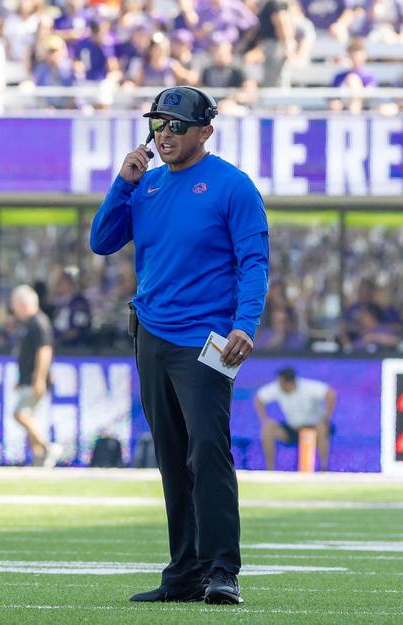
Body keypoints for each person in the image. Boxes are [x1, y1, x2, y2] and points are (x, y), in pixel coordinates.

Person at [91, 86, 269, 605]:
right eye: (157, 124)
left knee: (208, 452)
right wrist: (121, 185)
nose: (163, 134)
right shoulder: (144, 187)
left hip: (207, 342)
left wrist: (246, 323)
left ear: (205, 132)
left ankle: (221, 571)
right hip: (151, 335)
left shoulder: (233, 187)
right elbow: (102, 241)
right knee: (171, 457)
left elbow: (253, 262)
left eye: (175, 125)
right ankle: (185, 573)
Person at [8, 285, 61, 467]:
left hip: (34, 380)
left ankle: (47, 446)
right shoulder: (28, 323)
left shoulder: (39, 322)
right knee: (30, 417)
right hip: (26, 379)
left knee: (20, 414)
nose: (13, 309)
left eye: (15, 304)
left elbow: (44, 351)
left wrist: (39, 378)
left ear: (23, 303)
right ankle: (39, 458)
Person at [254, 369, 336, 471]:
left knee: (322, 427)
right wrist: (265, 419)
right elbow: (259, 397)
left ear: (290, 382)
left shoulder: (307, 387)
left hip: (313, 428)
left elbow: (330, 393)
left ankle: (324, 469)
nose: (279, 385)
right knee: (268, 429)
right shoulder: (278, 388)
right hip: (293, 429)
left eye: (281, 382)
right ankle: (270, 470)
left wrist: (326, 417)